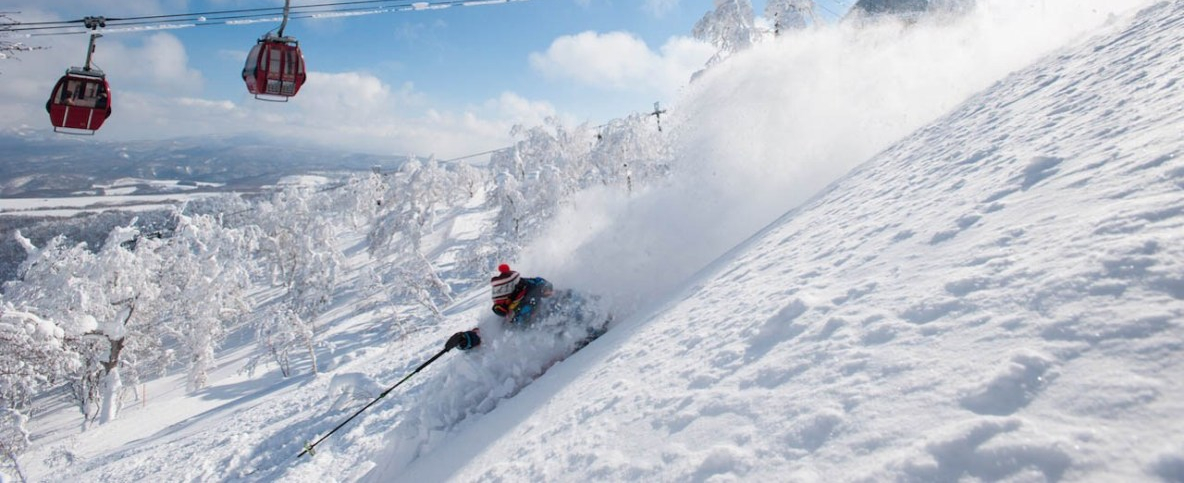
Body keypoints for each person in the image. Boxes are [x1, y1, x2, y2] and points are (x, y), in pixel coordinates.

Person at [444, 264, 554, 352]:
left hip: (554, 340)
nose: (499, 297)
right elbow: (487, 333)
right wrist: (464, 339)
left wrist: (543, 290)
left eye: (502, 290)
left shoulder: (537, 296)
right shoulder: (507, 316)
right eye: (496, 291)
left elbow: (546, 288)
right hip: (533, 354)